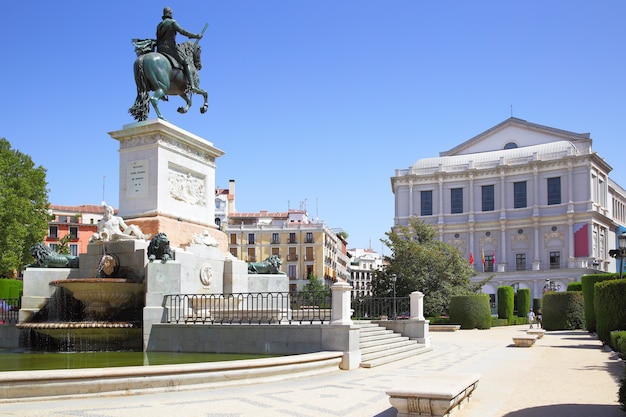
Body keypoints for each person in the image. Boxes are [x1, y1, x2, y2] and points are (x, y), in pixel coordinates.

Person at [156, 7, 203, 90]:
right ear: (170, 13)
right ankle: (192, 86)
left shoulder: (159, 25)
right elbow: (182, 31)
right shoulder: (172, 22)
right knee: (186, 62)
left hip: (160, 49)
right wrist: (196, 36)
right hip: (170, 47)